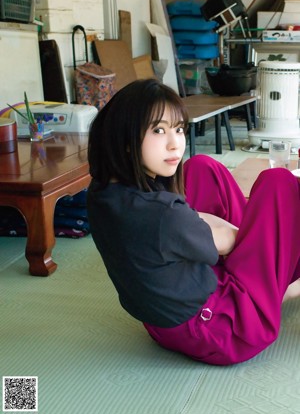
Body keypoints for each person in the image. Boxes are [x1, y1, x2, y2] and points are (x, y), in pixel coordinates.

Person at [87, 78, 300, 366]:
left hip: (164, 325)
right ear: (124, 138)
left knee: (202, 168)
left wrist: (203, 221)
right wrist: (268, 230)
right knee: (279, 184)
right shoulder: (163, 215)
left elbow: (185, 225)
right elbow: (234, 242)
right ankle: (286, 288)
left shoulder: (102, 192)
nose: (175, 143)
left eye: (178, 129)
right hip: (223, 331)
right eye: (159, 130)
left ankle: (275, 263)